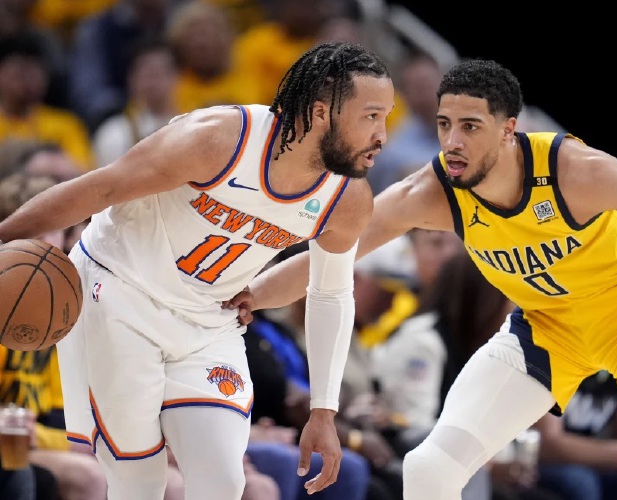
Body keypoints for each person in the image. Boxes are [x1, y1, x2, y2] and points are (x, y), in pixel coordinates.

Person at [228, 58, 617, 500]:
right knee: (428, 468)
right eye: (444, 124)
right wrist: (249, 296)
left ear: (509, 130)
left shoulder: (576, 171)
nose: (452, 141)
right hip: (550, 327)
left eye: (470, 126)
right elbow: (328, 257)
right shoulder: (430, 193)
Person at [0, 40, 394, 500]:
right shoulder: (218, 139)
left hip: (208, 320)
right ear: (322, 113)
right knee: (139, 481)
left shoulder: (347, 199)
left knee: (224, 481)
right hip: (120, 292)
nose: (383, 135)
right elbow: (101, 188)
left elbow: (330, 294)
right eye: (371, 117)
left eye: (385, 117)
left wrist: (323, 411)